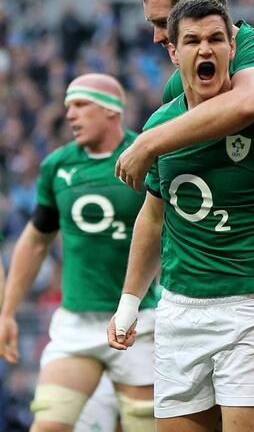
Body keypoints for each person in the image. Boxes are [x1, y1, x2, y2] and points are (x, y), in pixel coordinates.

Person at [107, 0, 254, 432]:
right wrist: (129, 304)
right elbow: (153, 217)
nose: (206, 49)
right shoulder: (161, 127)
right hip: (178, 312)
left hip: (249, 310)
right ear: (174, 52)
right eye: (192, 41)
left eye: (216, 38)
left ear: (232, 48)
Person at [0, 73, 159, 432]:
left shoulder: (146, 156)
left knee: (141, 426)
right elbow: (36, 240)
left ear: (111, 110)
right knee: (48, 424)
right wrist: (7, 312)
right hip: (76, 323)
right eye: (68, 106)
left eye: (81, 104)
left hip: (138, 321)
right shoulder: (57, 165)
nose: (70, 114)